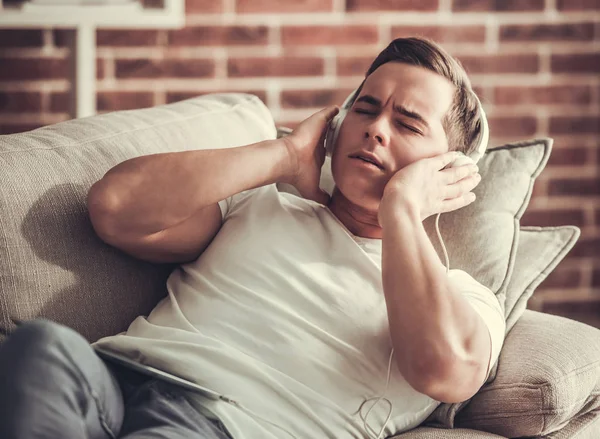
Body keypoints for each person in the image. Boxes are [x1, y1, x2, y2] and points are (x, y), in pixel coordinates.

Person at [0, 37, 505, 439]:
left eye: (408, 124)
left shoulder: (464, 297)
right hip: (112, 378)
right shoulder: (263, 204)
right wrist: (284, 156)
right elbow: (114, 208)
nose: (375, 129)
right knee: (42, 347)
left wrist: (401, 207)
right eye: (366, 109)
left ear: (450, 169)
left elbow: (444, 370)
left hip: (225, 424)